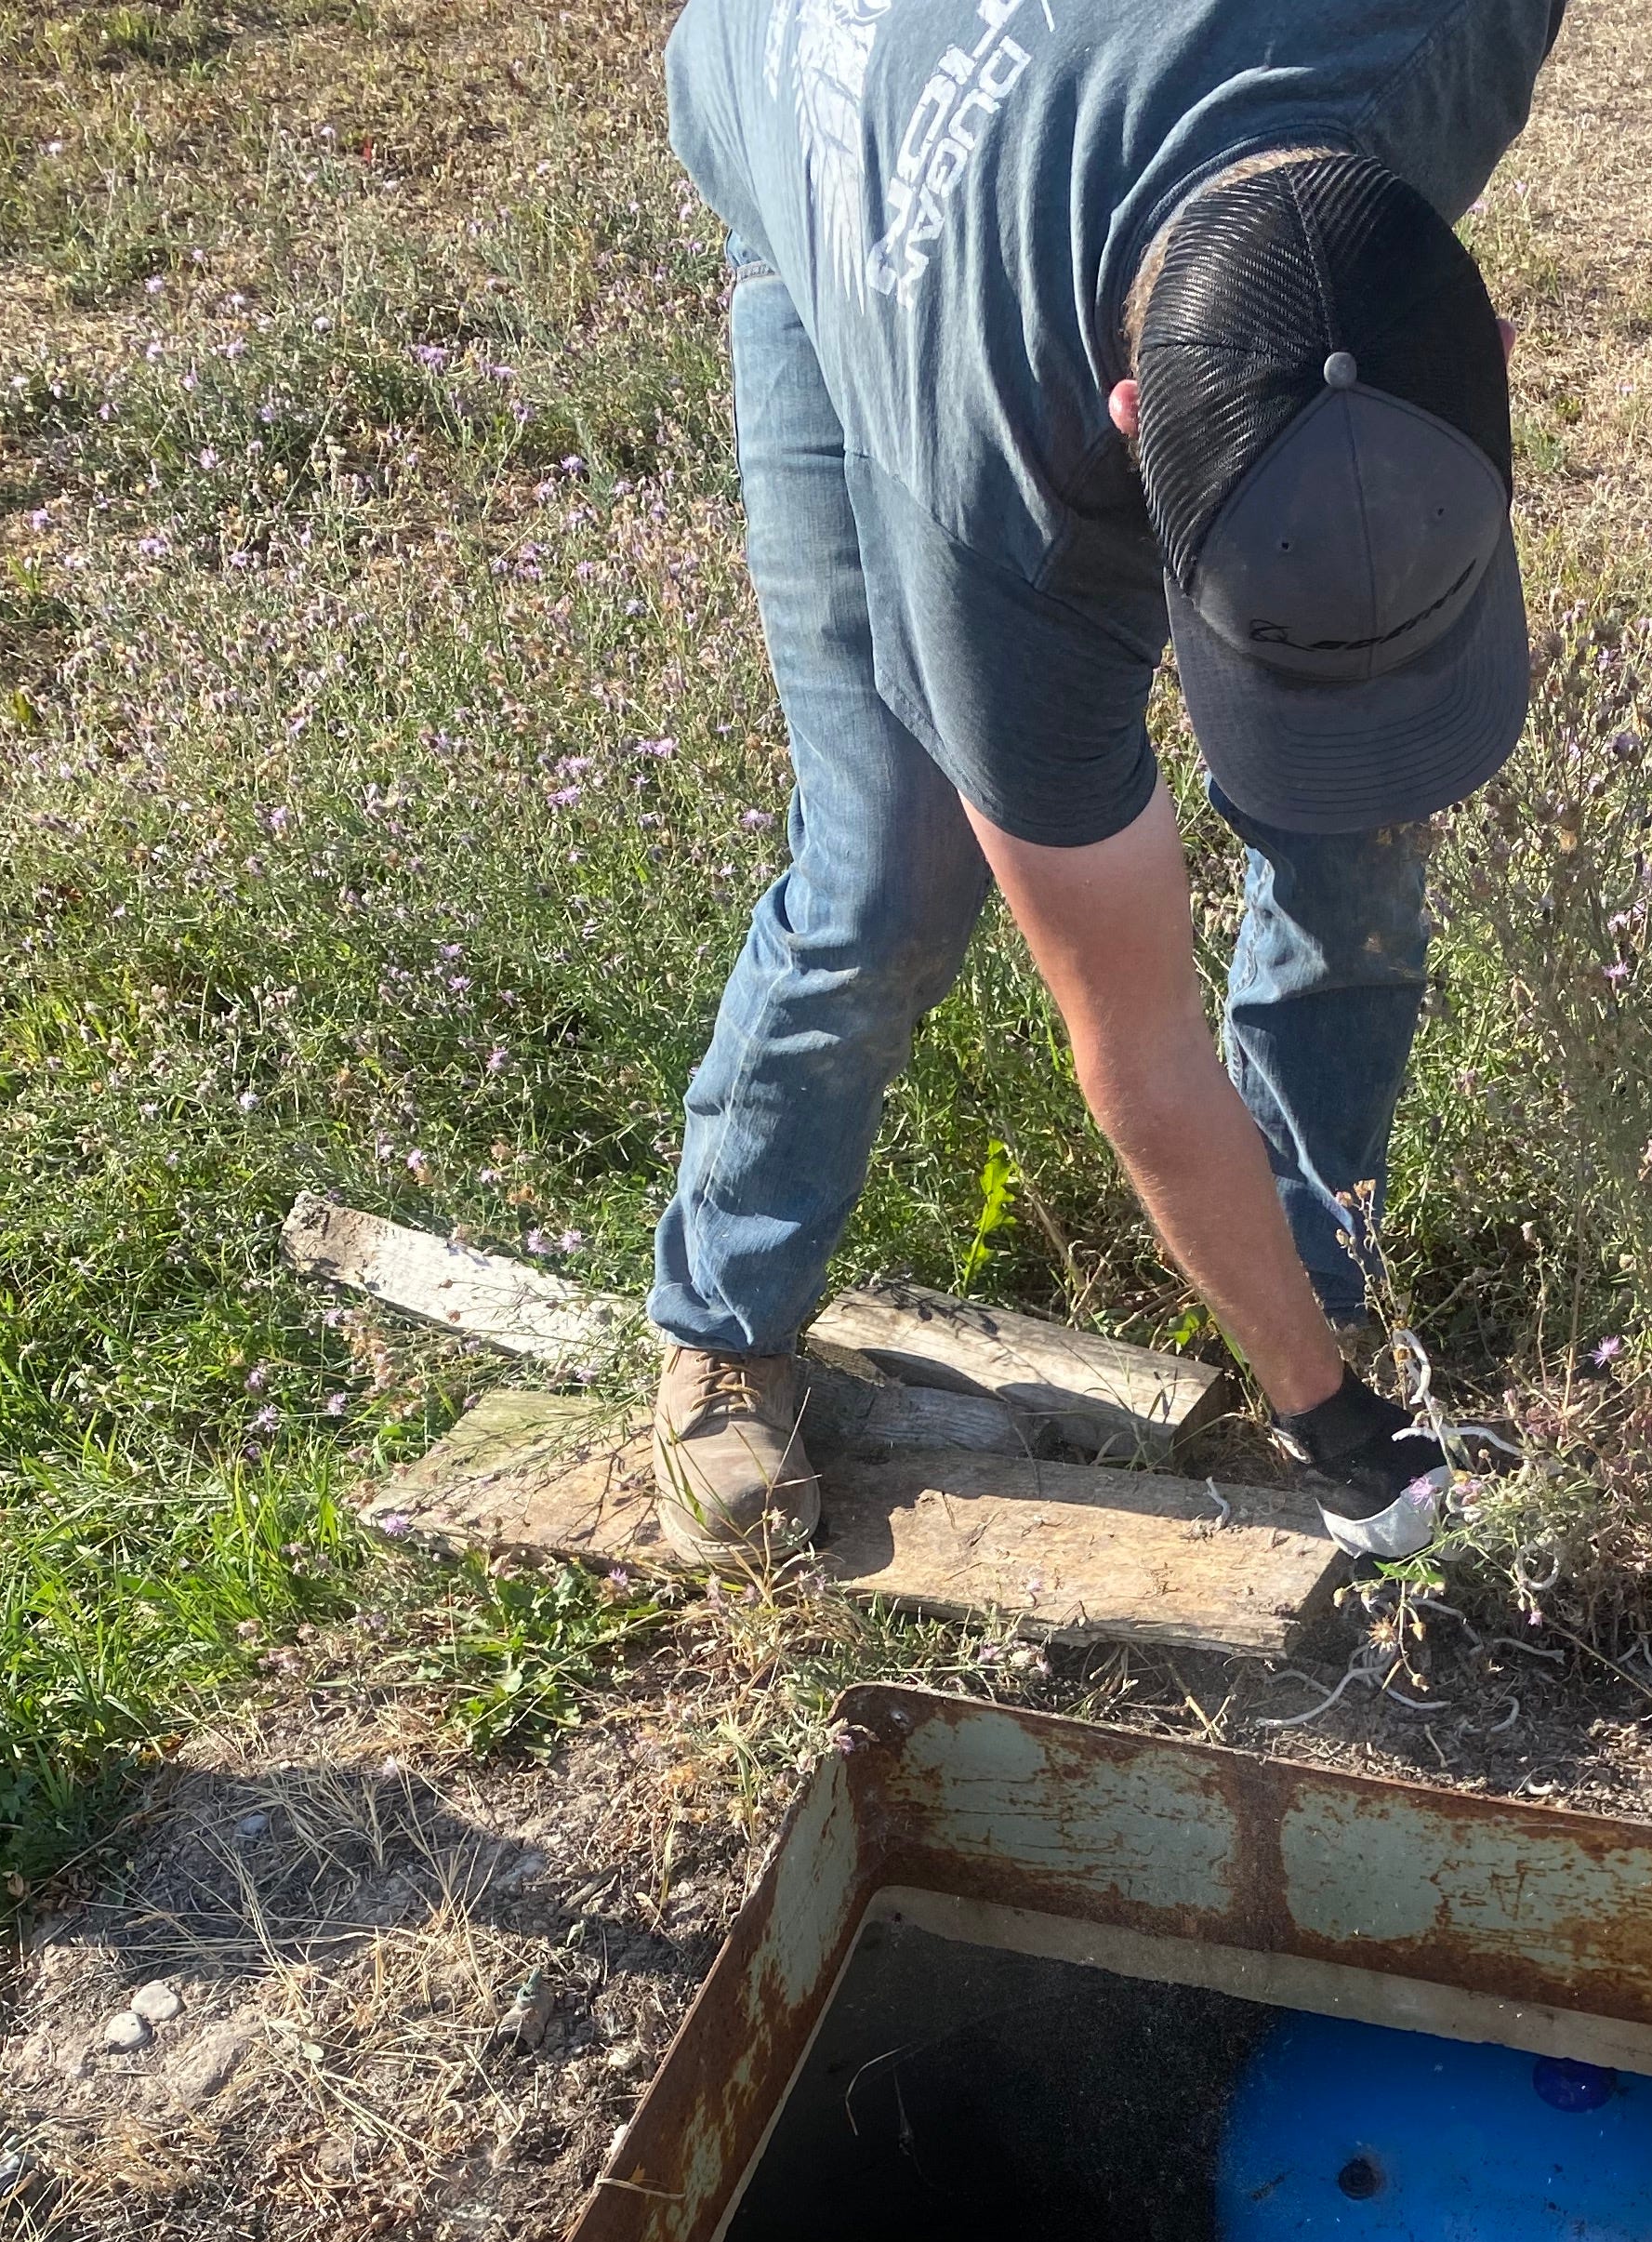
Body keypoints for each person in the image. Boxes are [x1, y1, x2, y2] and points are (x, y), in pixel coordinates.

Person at [653, 0, 1564, 1570]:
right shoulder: (998, 504)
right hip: (823, 136)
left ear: (1489, 344)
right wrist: (1331, 1428)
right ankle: (723, 1323)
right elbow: (1132, 1040)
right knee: (893, 867)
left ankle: (1305, 1281)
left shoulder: (1452, 36)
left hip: (1066, 128)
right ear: (1131, 430)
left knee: (1352, 833)